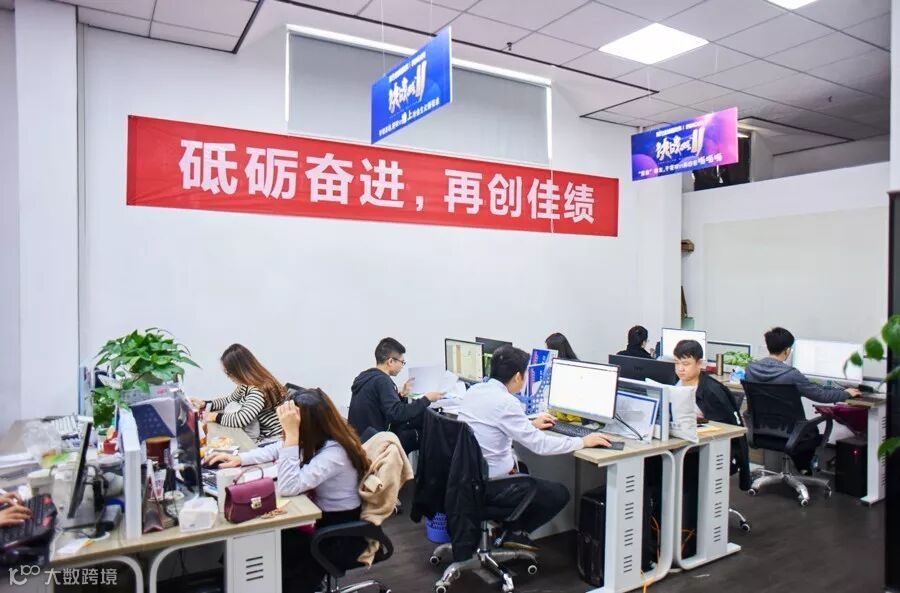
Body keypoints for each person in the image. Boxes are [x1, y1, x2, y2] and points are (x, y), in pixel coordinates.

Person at [205, 387, 371, 593]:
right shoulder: (319, 437)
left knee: (268, 540)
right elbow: (278, 448)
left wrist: (292, 435)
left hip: (337, 532)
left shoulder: (335, 454)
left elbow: (288, 486)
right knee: (256, 536)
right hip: (319, 518)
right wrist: (240, 459)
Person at [458, 345, 610, 551]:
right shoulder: (506, 402)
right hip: (489, 484)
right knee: (559, 493)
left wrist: (529, 425)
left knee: (524, 468)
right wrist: (583, 441)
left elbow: (494, 425)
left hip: (467, 478)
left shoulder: (475, 391)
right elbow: (541, 445)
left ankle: (511, 531)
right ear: (518, 377)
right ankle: (515, 533)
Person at [348, 337, 442, 454]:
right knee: (425, 434)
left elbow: (385, 408)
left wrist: (400, 395)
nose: (402, 366)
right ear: (391, 361)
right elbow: (397, 414)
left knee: (415, 423)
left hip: (361, 440)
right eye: (402, 362)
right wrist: (427, 399)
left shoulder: (366, 377)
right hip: (375, 444)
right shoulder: (383, 381)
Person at [190, 344, 286, 443]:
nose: (229, 377)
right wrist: (204, 404)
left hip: (272, 440)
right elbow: (228, 400)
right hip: (262, 436)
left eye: (229, 373)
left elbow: (241, 419)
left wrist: (214, 416)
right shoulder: (245, 386)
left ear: (239, 371)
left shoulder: (257, 391)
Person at [744, 327, 861, 403]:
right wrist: (846, 393)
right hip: (790, 429)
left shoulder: (750, 369)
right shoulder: (790, 374)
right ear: (787, 350)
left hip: (758, 428)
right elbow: (821, 395)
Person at [673, 340, 740, 424]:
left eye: (685, 364)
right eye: (676, 363)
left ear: (699, 363)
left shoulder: (712, 391)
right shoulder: (675, 383)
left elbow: (726, 427)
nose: (680, 369)